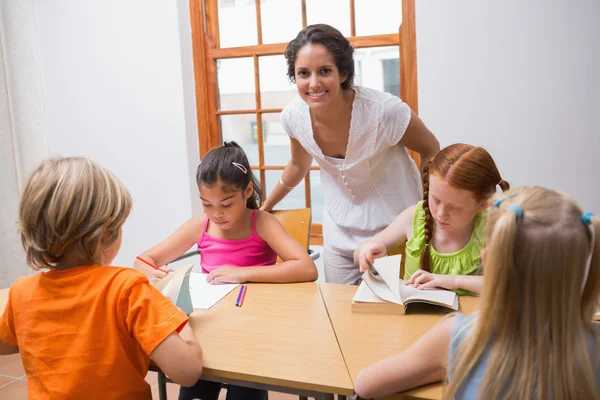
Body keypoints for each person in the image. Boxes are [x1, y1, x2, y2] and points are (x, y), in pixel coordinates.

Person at [355, 186, 600, 399]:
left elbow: (365, 385)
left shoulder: (459, 336)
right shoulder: (594, 341)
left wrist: (445, 363)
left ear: (487, 259)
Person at [0, 157, 203, 399]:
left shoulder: (22, 291)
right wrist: (177, 318)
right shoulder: (127, 288)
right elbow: (187, 371)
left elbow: (8, 343)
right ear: (107, 232)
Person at [133, 142, 317, 400]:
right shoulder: (201, 225)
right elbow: (144, 259)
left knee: (244, 391)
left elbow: (306, 268)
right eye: (207, 204)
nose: (216, 214)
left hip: (252, 328)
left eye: (226, 204)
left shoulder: (261, 223)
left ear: (247, 190)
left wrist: (243, 273)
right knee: (195, 388)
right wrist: (154, 273)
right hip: (209, 326)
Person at [260, 23, 440, 285]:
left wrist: (429, 211)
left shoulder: (384, 112)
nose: (314, 83)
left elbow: (431, 149)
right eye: (303, 73)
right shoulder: (293, 117)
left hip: (394, 229)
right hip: (339, 230)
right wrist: (266, 206)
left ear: (343, 72)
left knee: (396, 315)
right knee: (341, 313)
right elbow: (298, 166)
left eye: (324, 71)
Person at [355, 143, 509, 294]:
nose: (441, 213)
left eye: (455, 207)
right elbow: (359, 254)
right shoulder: (414, 217)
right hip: (413, 318)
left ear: (483, 204)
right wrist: (368, 251)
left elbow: (509, 285)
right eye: (435, 200)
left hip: (468, 319)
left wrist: (454, 281)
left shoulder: (493, 227)